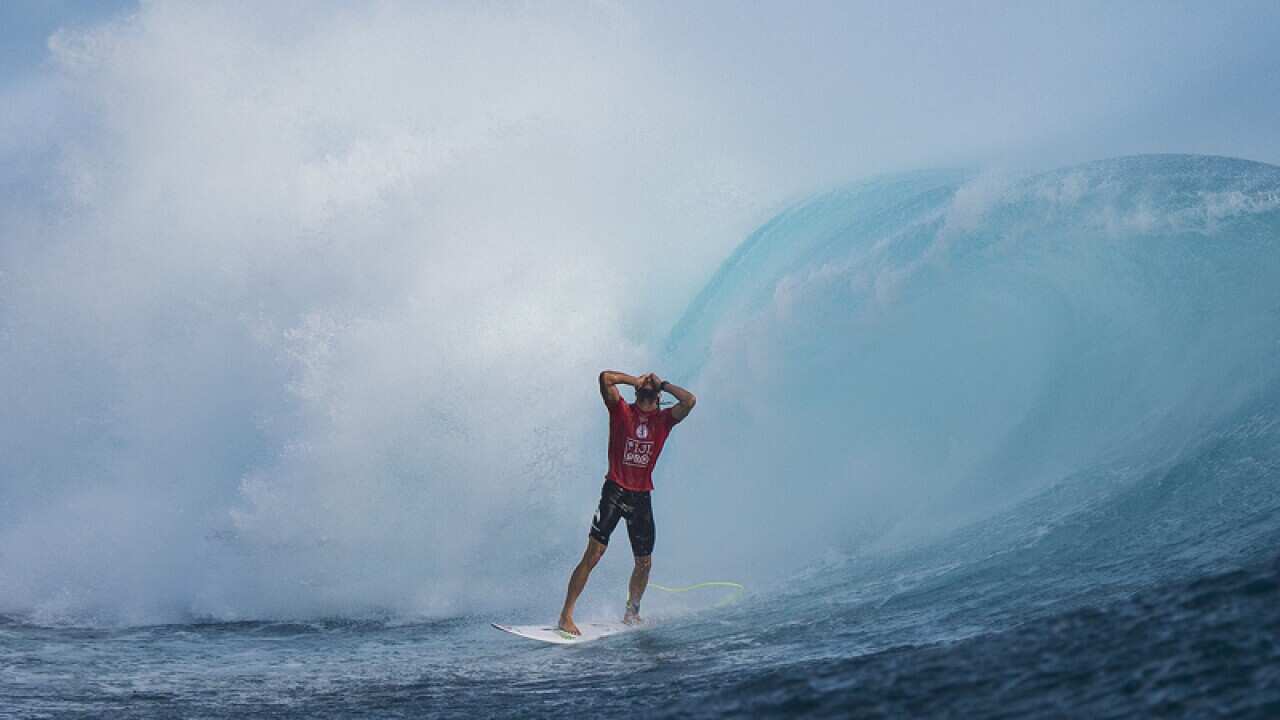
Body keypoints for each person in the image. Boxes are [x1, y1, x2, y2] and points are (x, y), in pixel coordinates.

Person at [557, 370, 697, 636]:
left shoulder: (664, 421)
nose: (648, 388)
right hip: (614, 492)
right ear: (637, 393)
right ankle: (566, 616)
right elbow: (605, 377)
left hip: (641, 497)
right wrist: (637, 380)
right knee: (593, 555)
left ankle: (632, 613)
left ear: (658, 397)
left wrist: (663, 384)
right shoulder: (621, 411)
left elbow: (689, 400)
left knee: (644, 563)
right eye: (645, 387)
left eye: (652, 388)